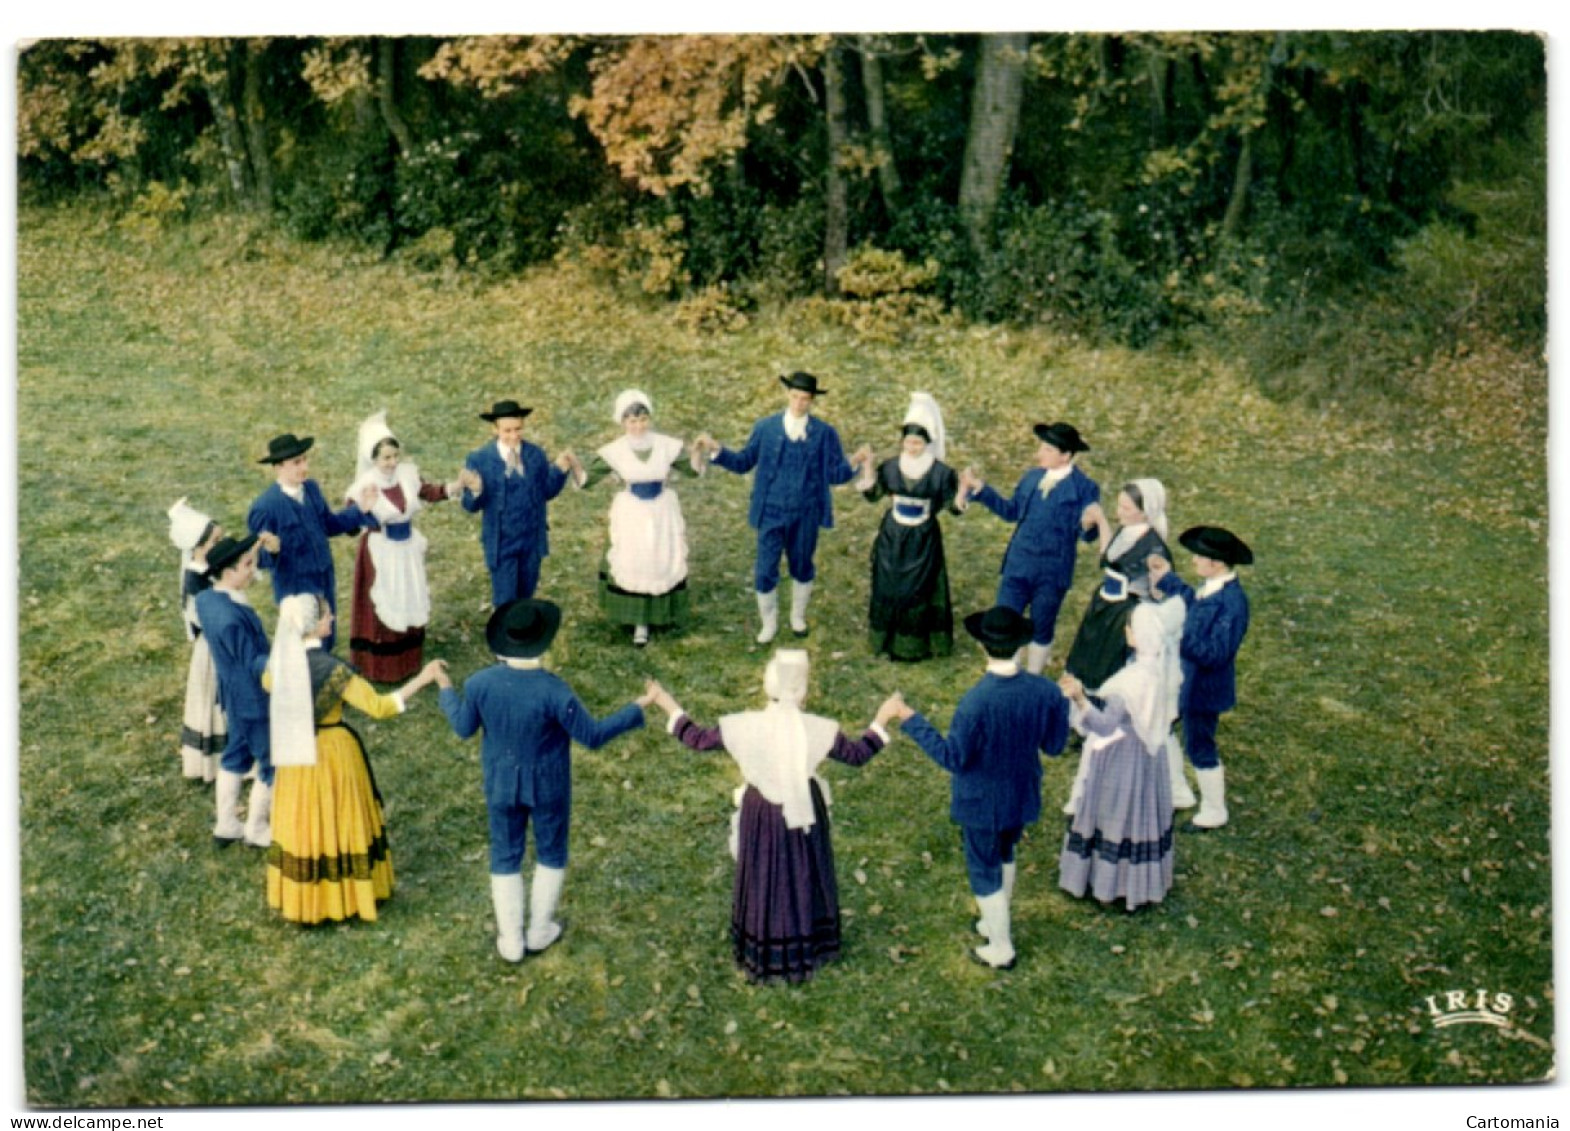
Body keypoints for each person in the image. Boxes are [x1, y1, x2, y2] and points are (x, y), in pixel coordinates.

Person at [645, 652, 904, 984]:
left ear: (768, 686)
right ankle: (809, 938)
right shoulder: (818, 728)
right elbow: (856, 755)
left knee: (765, 872)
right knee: (803, 871)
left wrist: (666, 702)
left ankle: (763, 942)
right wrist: (883, 716)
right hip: (804, 808)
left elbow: (697, 738)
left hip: (761, 812)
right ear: (803, 690)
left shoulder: (744, 725)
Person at [436, 598, 653, 962]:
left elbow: (462, 727)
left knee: (505, 853)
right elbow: (593, 736)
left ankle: (510, 940)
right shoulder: (555, 691)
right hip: (549, 785)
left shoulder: (478, 684)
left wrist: (444, 687)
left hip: (501, 783)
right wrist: (639, 707)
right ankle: (539, 930)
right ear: (544, 642)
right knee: (551, 851)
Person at [890, 606, 1071, 970]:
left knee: (983, 866)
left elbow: (953, 758)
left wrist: (911, 720)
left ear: (981, 648)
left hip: (982, 801)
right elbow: (1054, 746)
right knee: (1006, 853)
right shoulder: (1046, 692)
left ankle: (1001, 945)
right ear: (1021, 646)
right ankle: (993, 921)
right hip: (1022, 793)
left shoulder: (975, 702)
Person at [263, 593, 445, 924]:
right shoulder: (333, 671)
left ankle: (307, 899)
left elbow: (268, 686)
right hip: (332, 753)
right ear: (314, 625)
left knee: (305, 821)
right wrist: (423, 678)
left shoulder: (277, 667)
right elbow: (380, 706)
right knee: (338, 818)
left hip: (294, 755)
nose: (332, 620)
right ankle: (345, 897)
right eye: (327, 616)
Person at [695, 372, 869, 643]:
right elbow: (743, 462)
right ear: (787, 395)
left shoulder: (824, 433)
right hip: (771, 512)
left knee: (801, 565)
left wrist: (855, 462)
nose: (799, 403)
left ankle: (797, 617)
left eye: (805, 399)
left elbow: (834, 474)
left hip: (807, 513)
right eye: (795, 396)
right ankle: (769, 623)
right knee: (765, 569)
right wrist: (718, 450)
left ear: (812, 401)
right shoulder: (766, 428)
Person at [1056, 601, 1179, 910]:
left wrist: (1079, 699)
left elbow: (1105, 724)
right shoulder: (1160, 671)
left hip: (1120, 758)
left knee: (1116, 815)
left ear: (1134, 637)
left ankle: (1110, 883)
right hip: (1149, 757)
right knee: (1141, 814)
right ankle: (1140, 880)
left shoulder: (1129, 682)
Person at [958, 421, 1107, 674]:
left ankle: (1034, 675)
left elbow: (1087, 533)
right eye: (1041, 447)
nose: (1040, 453)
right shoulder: (1032, 477)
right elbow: (1011, 511)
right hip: (1018, 565)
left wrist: (1090, 522)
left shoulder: (1084, 488)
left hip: (1051, 572)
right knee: (1006, 615)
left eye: (1048, 450)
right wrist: (981, 490)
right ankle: (1006, 669)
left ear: (1066, 455)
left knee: (1042, 623)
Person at [570, 390, 698, 647]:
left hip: (661, 510)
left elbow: (692, 470)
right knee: (636, 559)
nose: (638, 426)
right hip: (633, 513)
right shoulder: (615, 451)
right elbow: (586, 481)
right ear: (623, 422)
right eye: (632, 421)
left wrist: (698, 449)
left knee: (660, 558)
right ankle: (639, 621)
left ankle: (660, 614)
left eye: (642, 420)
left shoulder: (665, 445)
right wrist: (573, 462)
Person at [1148, 525, 1253, 830]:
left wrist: (1176, 635)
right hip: (1185, 680)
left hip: (1205, 690)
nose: (1193, 560)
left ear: (1216, 562)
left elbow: (1216, 653)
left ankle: (1214, 809)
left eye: (1199, 556)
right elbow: (1192, 603)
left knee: (1199, 745)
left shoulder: (1233, 604)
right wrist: (1167, 578)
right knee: (1165, 726)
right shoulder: (1211, 588)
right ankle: (1179, 791)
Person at [344, 411, 458, 681]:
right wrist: (364, 509)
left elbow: (428, 491)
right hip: (380, 552)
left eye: (395, 456)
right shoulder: (364, 486)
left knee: (408, 595)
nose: (392, 462)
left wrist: (455, 487)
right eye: (386, 458)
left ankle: (408, 661)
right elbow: (349, 526)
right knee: (384, 600)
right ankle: (380, 667)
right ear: (373, 459)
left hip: (406, 551)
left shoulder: (406, 475)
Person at [858, 392, 961, 661]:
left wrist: (964, 492)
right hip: (893, 535)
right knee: (890, 584)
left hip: (922, 538)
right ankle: (886, 639)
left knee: (919, 588)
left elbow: (953, 507)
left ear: (927, 443)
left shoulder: (940, 473)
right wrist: (868, 468)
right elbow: (872, 495)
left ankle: (914, 645)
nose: (912, 446)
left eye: (917, 442)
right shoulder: (891, 467)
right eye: (908, 441)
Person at [248, 432, 374, 652]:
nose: (304, 466)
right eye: (296, 462)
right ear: (278, 467)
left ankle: (325, 674)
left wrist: (359, 510)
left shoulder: (312, 489)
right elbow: (256, 559)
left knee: (327, 634)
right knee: (304, 644)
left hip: (324, 578)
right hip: (297, 589)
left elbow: (328, 524)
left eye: (305, 459)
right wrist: (273, 551)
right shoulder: (265, 507)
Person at [194, 533, 276, 848]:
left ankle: (226, 824)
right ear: (228, 573)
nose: (253, 570)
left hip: (232, 696)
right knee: (270, 762)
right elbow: (253, 662)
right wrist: (288, 657)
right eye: (247, 565)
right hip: (254, 699)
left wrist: (252, 546)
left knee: (236, 755)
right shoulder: (231, 618)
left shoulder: (208, 599)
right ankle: (256, 829)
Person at [458, 399, 575, 608]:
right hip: (501, 539)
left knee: (525, 593)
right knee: (505, 598)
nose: (513, 436)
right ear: (495, 429)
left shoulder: (535, 455)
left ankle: (523, 638)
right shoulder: (480, 459)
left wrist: (559, 471)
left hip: (531, 537)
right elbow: (470, 505)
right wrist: (476, 489)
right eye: (507, 431)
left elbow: (545, 492)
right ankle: (504, 636)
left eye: (518, 429)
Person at [1064, 478, 1172, 690]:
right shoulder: (1127, 531)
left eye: (1126, 508)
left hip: (1123, 615)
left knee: (1108, 664)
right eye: (1119, 505)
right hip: (1104, 606)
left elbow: (1159, 593)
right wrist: (1101, 521)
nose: (1119, 512)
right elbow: (1110, 559)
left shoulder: (1154, 549)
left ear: (1144, 513)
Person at [168, 497, 226, 783]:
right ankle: (212, 759)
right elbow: (202, 617)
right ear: (198, 547)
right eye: (215, 541)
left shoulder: (209, 570)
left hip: (220, 639)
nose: (220, 545)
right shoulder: (195, 580)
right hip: (212, 647)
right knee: (214, 700)